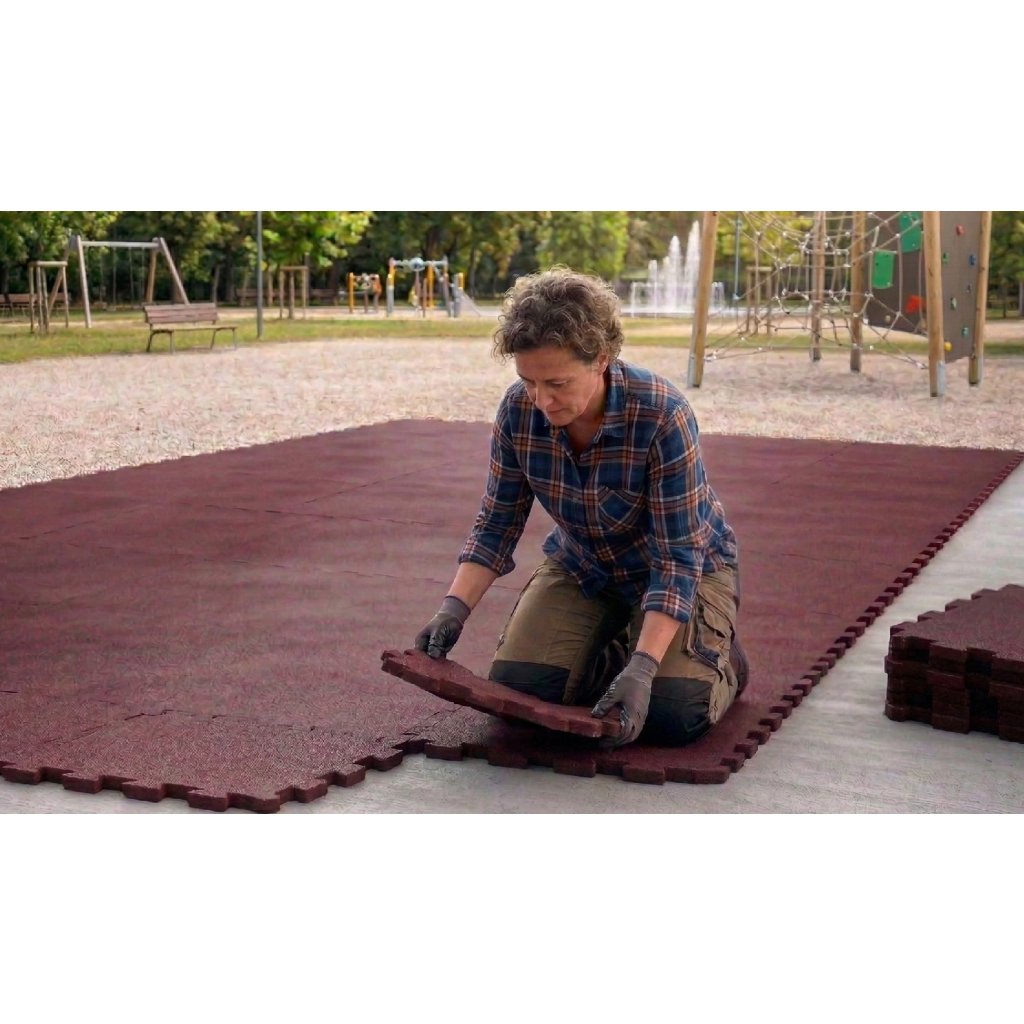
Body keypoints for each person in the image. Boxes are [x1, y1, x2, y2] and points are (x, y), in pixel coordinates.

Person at [415, 267, 747, 748]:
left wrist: (645, 668)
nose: (541, 400)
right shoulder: (518, 410)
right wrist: (452, 610)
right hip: (585, 565)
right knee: (520, 691)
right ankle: (624, 646)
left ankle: (719, 662)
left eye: (557, 383)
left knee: (672, 715)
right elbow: (497, 523)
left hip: (687, 569)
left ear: (602, 359)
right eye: (528, 381)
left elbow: (678, 557)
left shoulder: (662, 414)